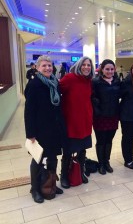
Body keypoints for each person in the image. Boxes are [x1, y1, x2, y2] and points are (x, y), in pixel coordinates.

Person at [24, 55, 65, 203]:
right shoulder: (34, 85)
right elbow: (28, 111)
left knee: (53, 157)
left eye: (50, 65)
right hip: (40, 130)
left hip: (54, 128)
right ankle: (35, 189)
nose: (48, 68)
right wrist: (30, 134)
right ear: (37, 67)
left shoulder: (54, 82)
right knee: (38, 159)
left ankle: (51, 183)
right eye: (44, 66)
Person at [59, 56, 94, 188]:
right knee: (68, 150)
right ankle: (64, 176)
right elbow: (57, 92)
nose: (86, 67)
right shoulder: (69, 78)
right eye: (84, 65)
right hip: (71, 121)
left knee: (82, 149)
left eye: (89, 65)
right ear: (79, 66)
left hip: (85, 120)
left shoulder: (89, 81)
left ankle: (80, 172)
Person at [92, 59, 120, 175]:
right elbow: (92, 98)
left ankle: (106, 162)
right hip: (100, 117)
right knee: (101, 140)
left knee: (109, 140)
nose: (109, 71)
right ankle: (101, 164)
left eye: (112, 69)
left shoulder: (117, 81)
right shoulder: (95, 82)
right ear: (102, 69)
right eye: (107, 69)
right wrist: (98, 111)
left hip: (113, 116)